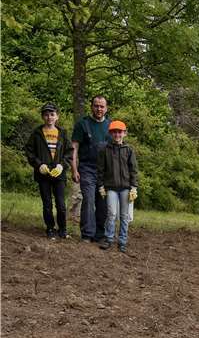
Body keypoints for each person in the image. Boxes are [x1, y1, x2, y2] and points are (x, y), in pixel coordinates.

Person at [24, 102, 73, 239]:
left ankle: (62, 229)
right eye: (46, 115)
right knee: (47, 204)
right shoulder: (37, 133)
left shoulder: (62, 133)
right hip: (43, 174)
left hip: (59, 174)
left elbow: (69, 152)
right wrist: (38, 164)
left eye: (52, 114)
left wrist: (62, 165)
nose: (49, 117)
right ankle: (50, 228)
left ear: (57, 116)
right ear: (42, 117)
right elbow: (29, 151)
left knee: (61, 204)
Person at [72, 95, 112, 242]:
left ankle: (99, 235)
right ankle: (87, 234)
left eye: (102, 106)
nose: (99, 109)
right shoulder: (82, 124)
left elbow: (115, 150)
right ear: (91, 107)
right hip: (86, 168)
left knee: (102, 203)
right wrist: (74, 169)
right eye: (96, 106)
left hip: (105, 171)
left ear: (106, 108)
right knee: (88, 200)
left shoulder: (111, 126)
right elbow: (74, 148)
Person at [97, 120, 138, 253]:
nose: (117, 134)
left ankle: (122, 241)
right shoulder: (104, 150)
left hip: (126, 187)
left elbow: (133, 170)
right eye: (114, 132)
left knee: (124, 216)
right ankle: (109, 239)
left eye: (119, 132)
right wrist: (101, 186)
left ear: (124, 133)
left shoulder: (129, 150)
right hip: (110, 187)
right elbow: (100, 170)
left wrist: (134, 187)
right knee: (111, 214)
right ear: (110, 133)